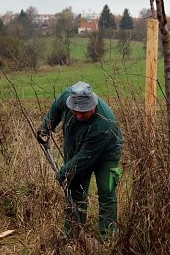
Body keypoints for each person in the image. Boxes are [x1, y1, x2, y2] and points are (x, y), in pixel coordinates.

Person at [37, 81, 123, 238]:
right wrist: (46, 127)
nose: (78, 115)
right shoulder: (67, 96)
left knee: (107, 190)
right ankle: (73, 235)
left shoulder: (104, 123)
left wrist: (64, 172)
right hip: (77, 146)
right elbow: (55, 109)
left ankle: (108, 236)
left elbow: (85, 158)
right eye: (75, 111)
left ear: (93, 105)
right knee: (74, 187)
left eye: (83, 112)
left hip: (107, 153)